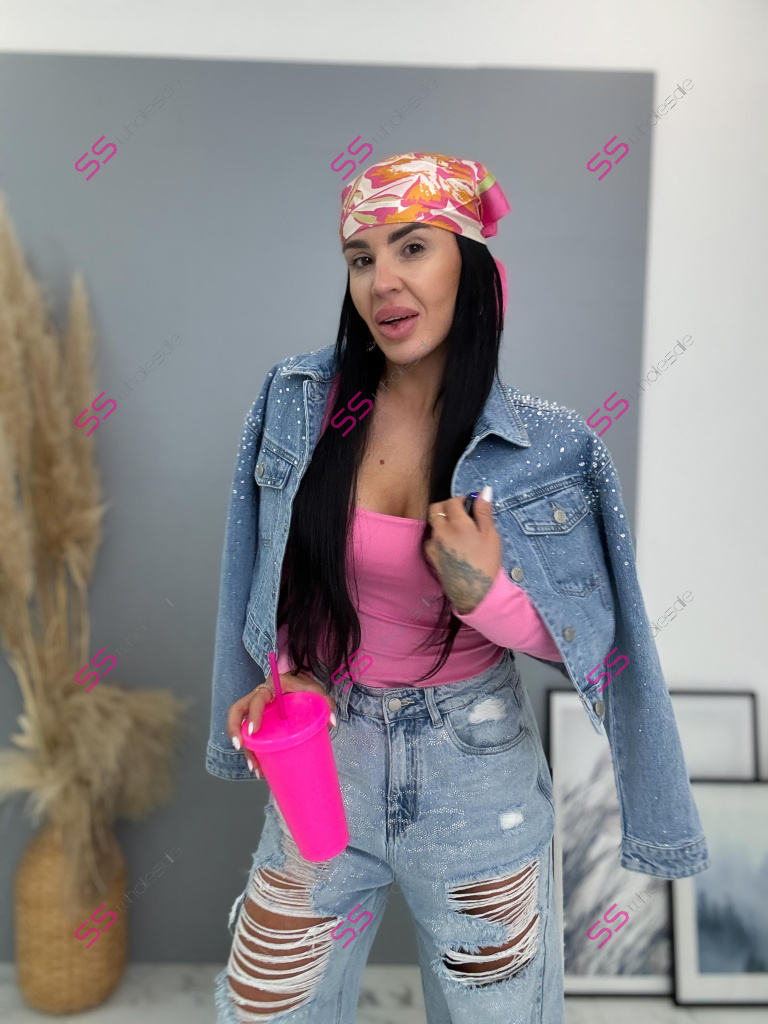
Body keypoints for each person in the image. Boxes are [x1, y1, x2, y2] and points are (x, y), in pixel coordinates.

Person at [206, 152, 708, 1023]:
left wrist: (485, 598)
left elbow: (600, 649)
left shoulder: (550, 445)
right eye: (361, 258)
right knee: (263, 1008)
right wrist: (290, 673)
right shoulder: (299, 399)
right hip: (327, 759)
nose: (383, 282)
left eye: (413, 247)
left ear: (469, 266)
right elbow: (270, 566)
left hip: (475, 775)